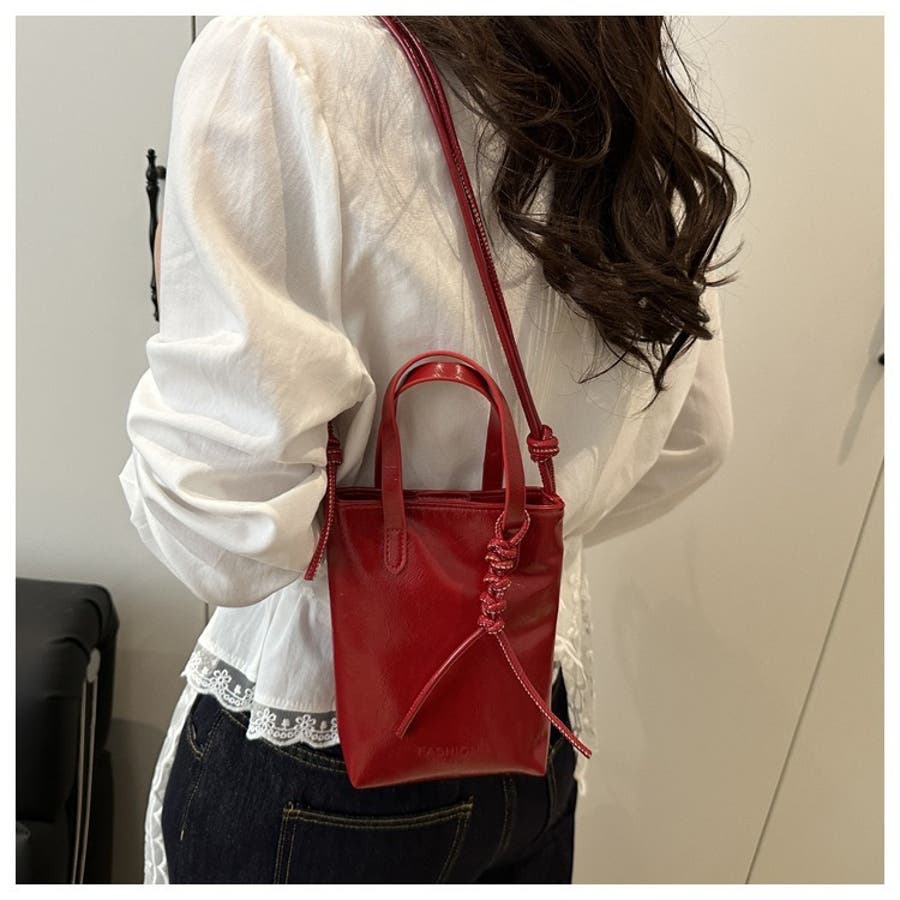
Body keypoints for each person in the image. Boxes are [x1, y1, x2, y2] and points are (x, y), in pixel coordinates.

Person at [118, 14, 743, 884]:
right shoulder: (629, 86)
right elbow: (697, 439)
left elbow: (220, 531)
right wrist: (501, 550)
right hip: (529, 718)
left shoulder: (280, 53)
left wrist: (175, 285)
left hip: (324, 742)